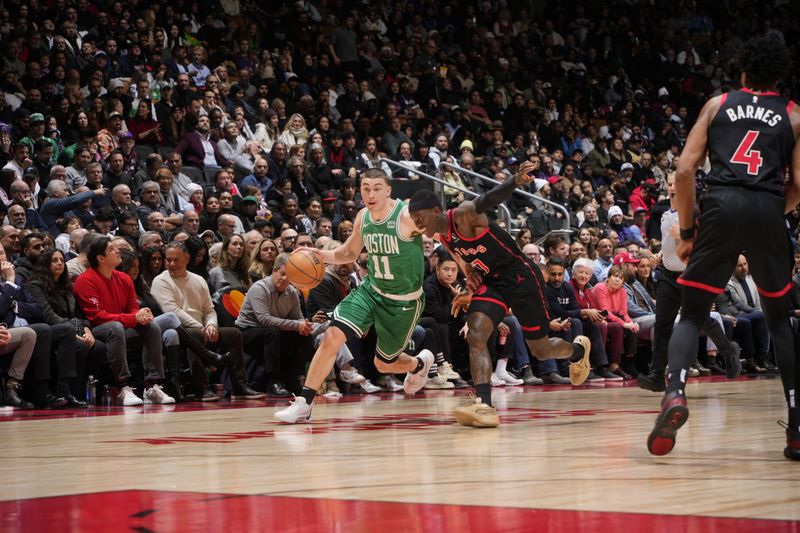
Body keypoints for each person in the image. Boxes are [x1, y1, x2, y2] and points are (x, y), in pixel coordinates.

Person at [646, 36, 800, 460]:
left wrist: (689, 230)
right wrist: (771, 211)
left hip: (721, 203)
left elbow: (682, 170)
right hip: (768, 206)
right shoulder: (794, 113)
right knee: (780, 321)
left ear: (744, 74)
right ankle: (797, 425)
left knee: (692, 311)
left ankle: (674, 394)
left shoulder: (717, 104)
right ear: (778, 77)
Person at [408, 160, 591, 428]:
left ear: (437, 210)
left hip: (519, 276)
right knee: (477, 330)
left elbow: (487, 199)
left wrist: (514, 181)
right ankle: (484, 405)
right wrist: (470, 279)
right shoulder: (444, 237)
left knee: (540, 349)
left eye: (421, 217)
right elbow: (469, 262)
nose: (418, 223)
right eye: (414, 221)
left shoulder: (463, 215)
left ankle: (577, 351)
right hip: (493, 282)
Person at [275, 168, 434, 424]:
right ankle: (304, 403)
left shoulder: (406, 216)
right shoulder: (362, 217)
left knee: (384, 364)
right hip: (371, 290)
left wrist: (468, 266)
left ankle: (418, 364)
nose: (371, 194)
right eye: (366, 188)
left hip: (402, 302)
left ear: (388, 190)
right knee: (331, 335)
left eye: (377, 188)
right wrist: (319, 255)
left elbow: (442, 234)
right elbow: (348, 253)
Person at [637, 172, 741, 393]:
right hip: (667, 275)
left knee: (701, 320)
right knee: (662, 324)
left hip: (691, 275)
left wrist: (686, 238)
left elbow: (711, 245)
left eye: (677, 183)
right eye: (670, 183)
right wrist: (660, 255)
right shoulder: (665, 215)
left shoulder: (697, 213)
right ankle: (656, 375)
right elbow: (669, 245)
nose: (672, 186)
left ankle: (728, 350)